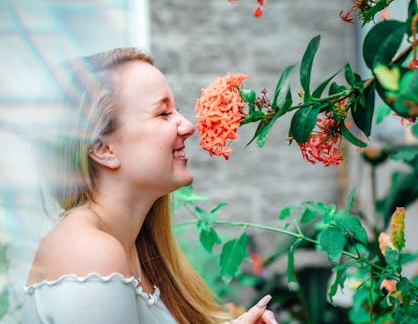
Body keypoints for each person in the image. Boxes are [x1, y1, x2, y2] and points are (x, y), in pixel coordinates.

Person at [22, 48, 278, 324]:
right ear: (104, 149)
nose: (188, 126)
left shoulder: (136, 250)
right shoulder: (91, 254)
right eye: (163, 113)